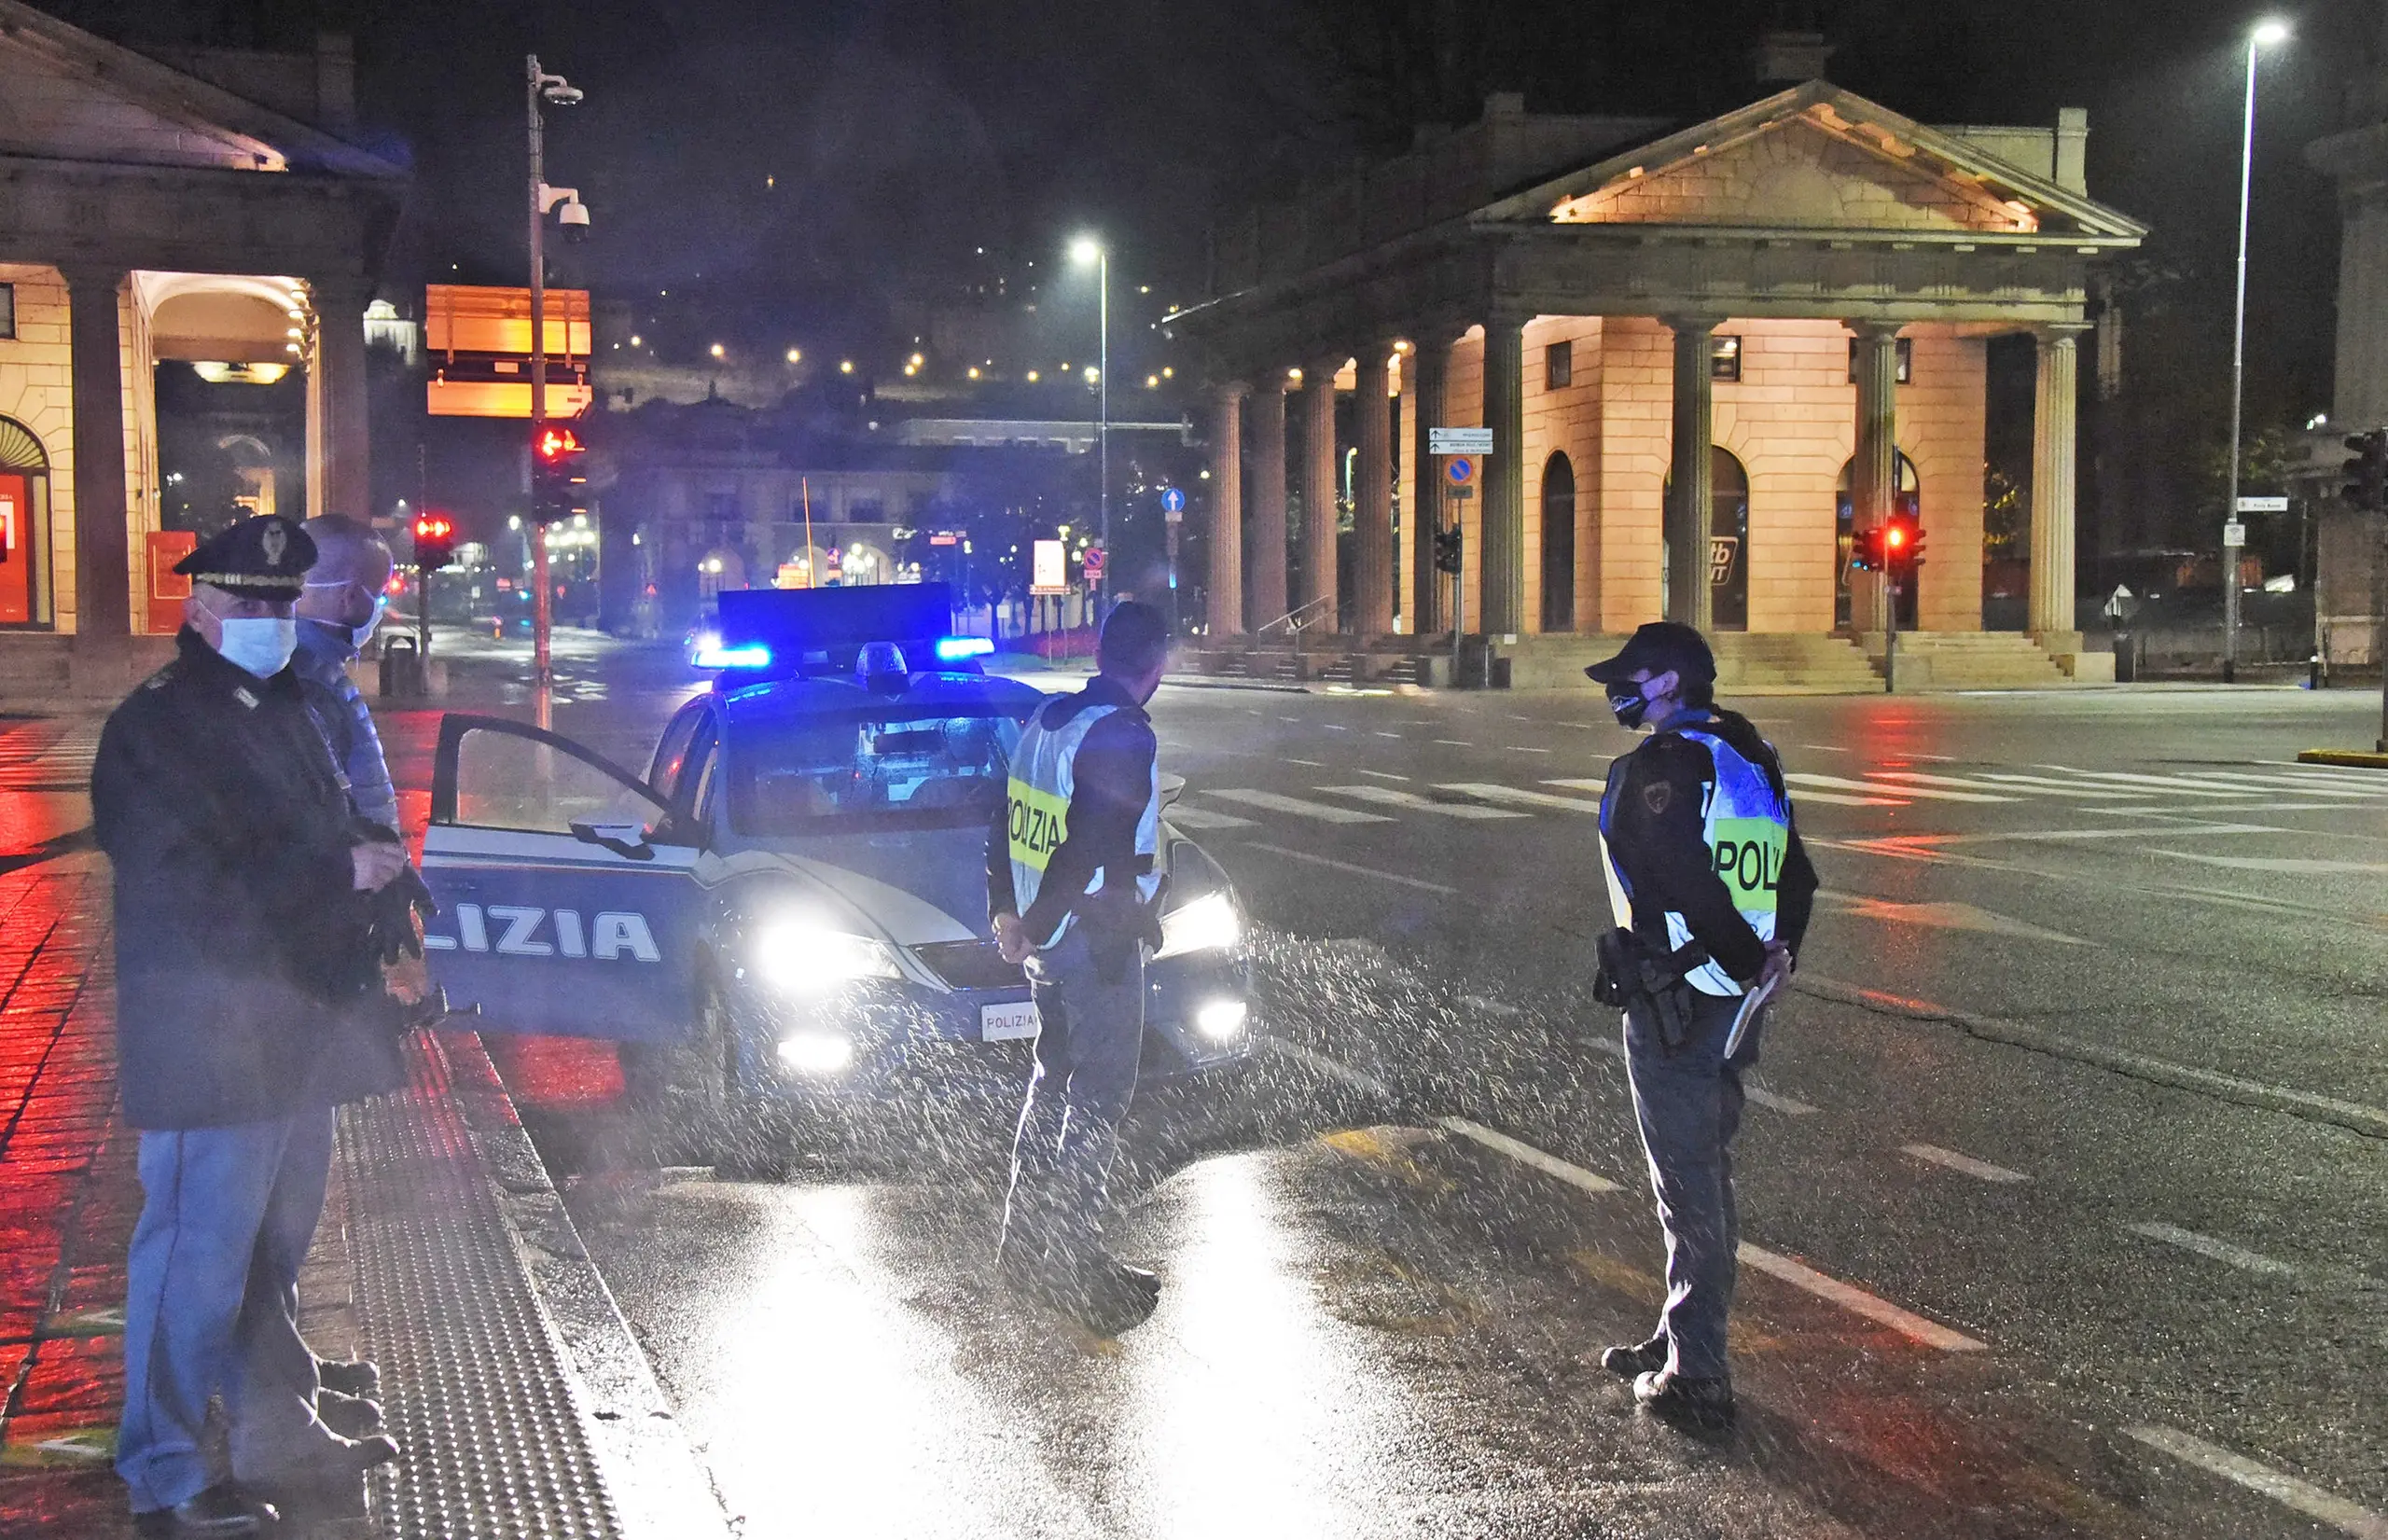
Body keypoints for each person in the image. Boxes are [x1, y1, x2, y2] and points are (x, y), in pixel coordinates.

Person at [94, 516, 403, 1538]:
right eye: (247, 601)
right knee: (190, 1261)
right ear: (199, 604)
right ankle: (165, 1476)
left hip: (289, 1029)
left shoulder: (278, 707)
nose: (268, 619)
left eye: (281, 601)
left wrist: (368, 872)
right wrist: (334, 869)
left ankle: (260, 1428)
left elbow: (316, 831)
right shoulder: (162, 722)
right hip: (209, 1037)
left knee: (258, 1260)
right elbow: (182, 882)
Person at [1586, 621, 1817, 1425]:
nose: (1619, 690)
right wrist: (1775, 952)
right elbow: (1798, 872)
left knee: (1686, 1184)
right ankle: (1681, 1329)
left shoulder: (1665, 765)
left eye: (1634, 677)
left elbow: (1682, 873)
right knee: (1704, 1173)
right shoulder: (1748, 752)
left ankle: (1699, 1372)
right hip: (1733, 999)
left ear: (1672, 682)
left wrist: (1743, 956)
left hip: (1680, 1000)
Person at [987, 601, 1171, 1337]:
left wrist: (1010, 913)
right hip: (1091, 945)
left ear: (1100, 653)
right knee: (1095, 1099)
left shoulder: (1047, 722)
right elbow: (1090, 842)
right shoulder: (1122, 734)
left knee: (1052, 1080)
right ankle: (1073, 1261)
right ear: (1156, 661)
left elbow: (999, 819)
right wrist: (1032, 924)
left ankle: (1025, 1243)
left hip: (1050, 948)